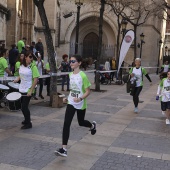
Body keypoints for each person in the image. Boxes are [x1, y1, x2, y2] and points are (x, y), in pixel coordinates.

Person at [55, 54, 97, 157]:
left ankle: (92, 126)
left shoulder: (83, 75)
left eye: (73, 61)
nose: (71, 63)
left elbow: (88, 91)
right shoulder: (70, 75)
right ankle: (64, 149)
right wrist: (67, 97)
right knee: (66, 124)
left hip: (81, 103)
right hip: (71, 102)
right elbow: (73, 89)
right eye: (70, 61)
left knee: (81, 122)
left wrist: (80, 98)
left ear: (79, 63)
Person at [14, 50, 40, 129]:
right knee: (22, 106)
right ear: (25, 57)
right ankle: (26, 120)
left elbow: (36, 79)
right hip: (21, 88)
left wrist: (31, 91)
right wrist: (17, 79)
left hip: (29, 89)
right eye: (30, 57)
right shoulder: (21, 65)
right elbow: (20, 74)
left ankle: (28, 123)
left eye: (32, 57)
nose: (31, 59)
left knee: (24, 107)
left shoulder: (33, 66)